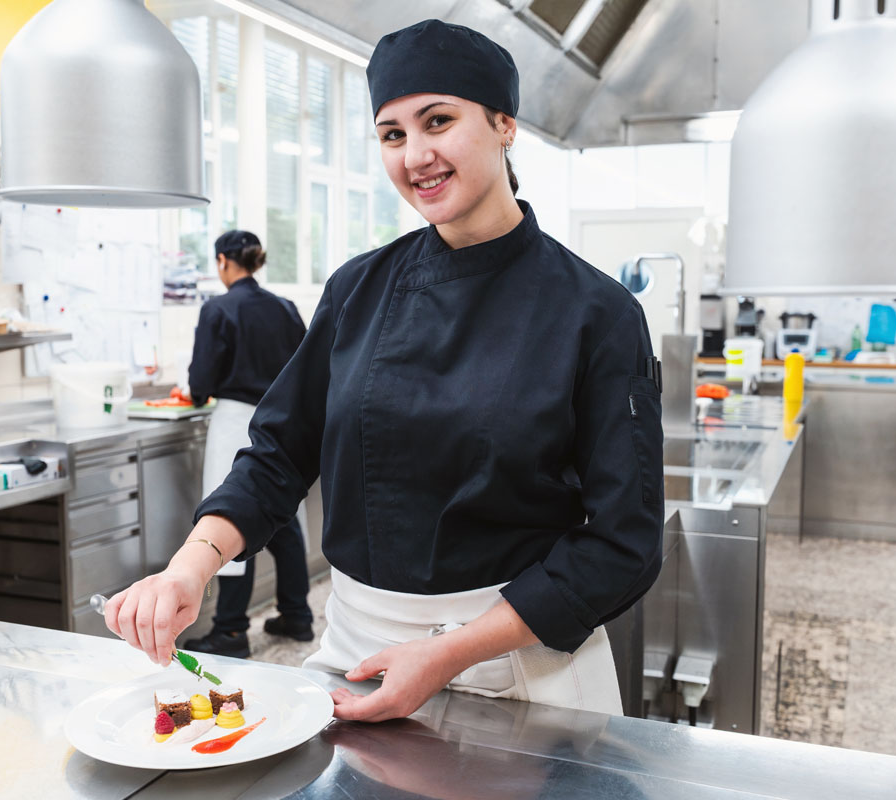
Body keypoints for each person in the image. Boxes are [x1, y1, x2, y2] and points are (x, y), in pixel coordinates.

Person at [107, 19, 664, 723]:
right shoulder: (358, 290)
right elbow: (279, 452)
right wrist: (191, 566)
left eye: (439, 121)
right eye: (393, 135)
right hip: (354, 653)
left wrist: (449, 651)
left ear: (503, 124)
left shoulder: (596, 311)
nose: (416, 155)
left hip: (519, 662)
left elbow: (625, 542)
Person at [179, 229, 314, 659]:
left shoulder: (218, 309)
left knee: (230, 515)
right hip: (281, 420)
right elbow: (308, 367)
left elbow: (200, 380)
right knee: (284, 520)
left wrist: (199, 395)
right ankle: (298, 615)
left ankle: (231, 632)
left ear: (222, 262)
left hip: (236, 420)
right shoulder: (285, 308)